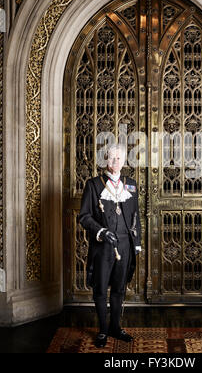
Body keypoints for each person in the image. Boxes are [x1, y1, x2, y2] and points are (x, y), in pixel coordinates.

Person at [79, 143, 142, 348]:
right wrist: (101, 231)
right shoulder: (94, 184)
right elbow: (84, 216)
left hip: (125, 245)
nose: (115, 162)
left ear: (124, 161)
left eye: (119, 158)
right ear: (105, 159)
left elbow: (136, 217)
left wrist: (137, 243)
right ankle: (103, 330)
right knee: (100, 289)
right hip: (102, 247)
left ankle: (115, 327)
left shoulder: (131, 184)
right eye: (112, 158)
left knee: (119, 289)